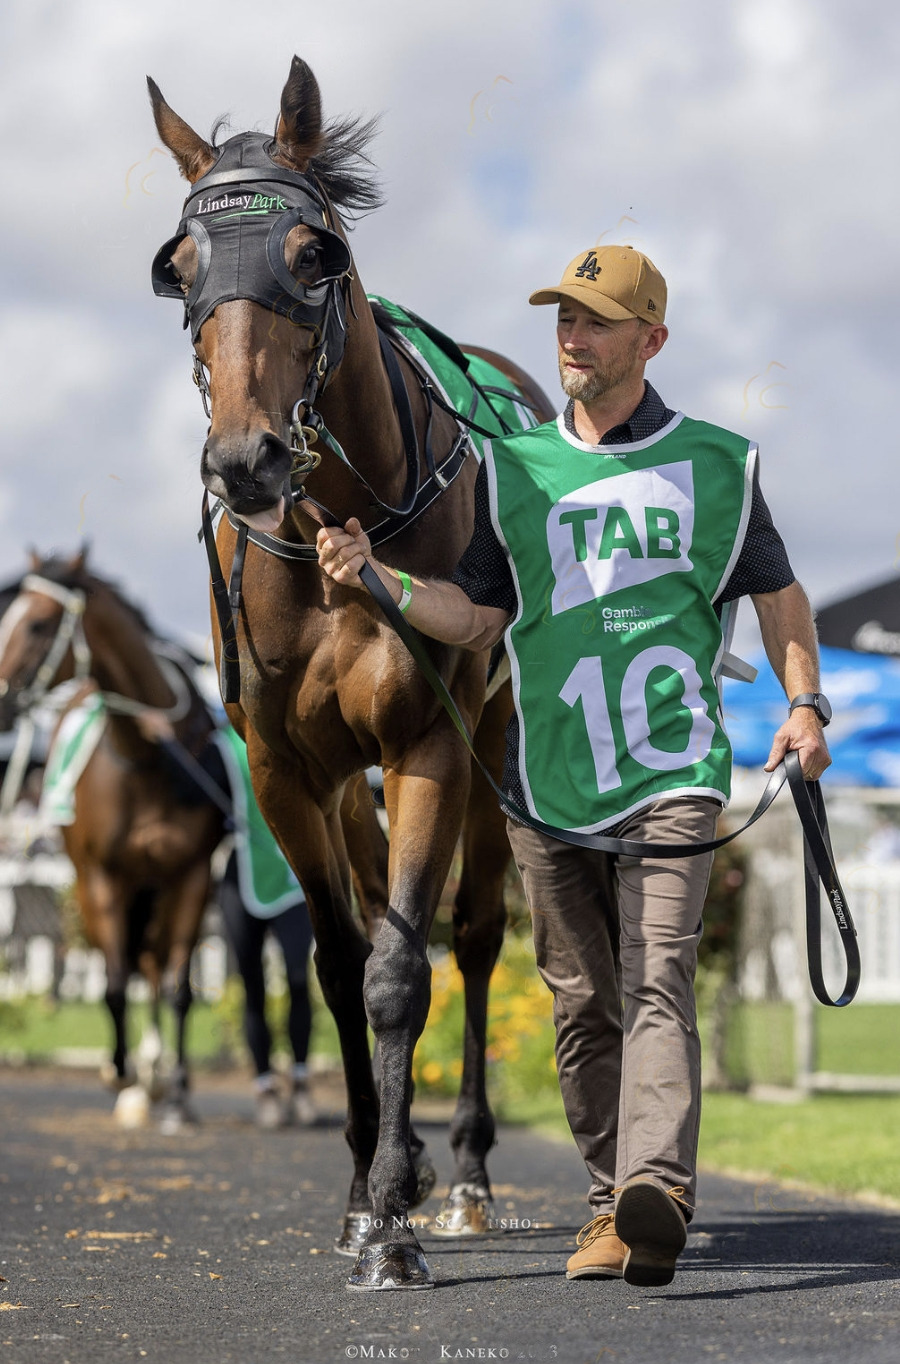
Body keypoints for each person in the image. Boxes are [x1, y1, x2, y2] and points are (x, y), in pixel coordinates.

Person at [315, 245, 831, 1286]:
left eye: (595, 321)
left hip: (675, 772)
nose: (570, 337)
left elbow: (778, 594)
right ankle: (612, 1203)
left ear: (652, 340)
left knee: (657, 979)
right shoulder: (518, 471)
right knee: (582, 998)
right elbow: (475, 614)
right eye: (563, 317)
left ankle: (656, 1187)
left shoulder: (717, 465)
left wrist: (805, 702)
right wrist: (380, 580)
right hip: (549, 786)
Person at [213, 724, 318, 1130]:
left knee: (296, 977)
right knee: (251, 985)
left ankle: (302, 1081)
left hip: (291, 875)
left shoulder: (294, 731)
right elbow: (189, 795)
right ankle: (263, 1086)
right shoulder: (222, 745)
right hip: (239, 876)